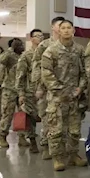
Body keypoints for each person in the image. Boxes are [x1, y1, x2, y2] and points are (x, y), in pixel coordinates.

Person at [41, 20, 87, 171]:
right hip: (57, 98)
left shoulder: (80, 50)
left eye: (69, 28)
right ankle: (58, 157)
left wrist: (80, 88)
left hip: (75, 97)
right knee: (56, 130)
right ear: (58, 31)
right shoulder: (51, 51)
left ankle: (73, 155)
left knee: (74, 129)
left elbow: (85, 72)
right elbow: (46, 73)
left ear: (73, 30)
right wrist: (59, 91)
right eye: (63, 28)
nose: (66, 31)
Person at [32, 16, 65, 159]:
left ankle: (61, 147)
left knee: (63, 118)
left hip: (63, 88)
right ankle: (46, 145)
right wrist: (38, 87)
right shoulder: (44, 45)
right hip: (46, 89)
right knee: (47, 118)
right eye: (59, 25)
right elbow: (36, 68)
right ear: (52, 27)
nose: (62, 28)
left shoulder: (68, 45)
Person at [15, 29, 44, 154]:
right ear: (31, 39)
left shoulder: (47, 53)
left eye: (41, 36)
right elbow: (20, 76)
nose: (40, 38)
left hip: (44, 91)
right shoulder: (26, 56)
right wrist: (21, 94)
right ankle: (32, 141)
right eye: (37, 36)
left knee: (46, 116)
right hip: (30, 92)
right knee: (30, 118)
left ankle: (47, 142)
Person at [0, 38, 27, 148]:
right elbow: (1, 60)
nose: (21, 46)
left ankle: (22, 137)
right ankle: (2, 136)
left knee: (22, 114)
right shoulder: (8, 56)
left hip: (21, 90)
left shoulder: (23, 56)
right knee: (7, 114)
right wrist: (10, 49)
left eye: (21, 44)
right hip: (9, 89)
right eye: (18, 45)